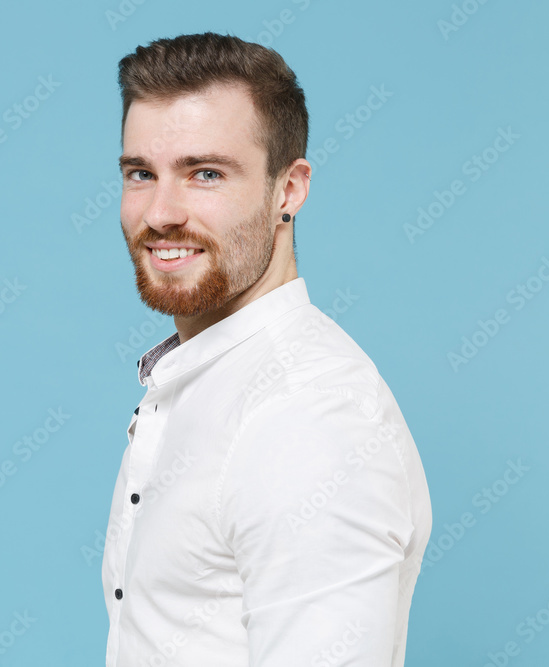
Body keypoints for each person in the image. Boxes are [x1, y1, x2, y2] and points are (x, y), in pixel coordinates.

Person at [101, 32, 432, 666]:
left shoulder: (308, 414)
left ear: (289, 190)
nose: (161, 213)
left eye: (205, 174)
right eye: (141, 173)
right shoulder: (198, 382)